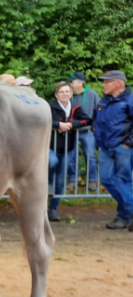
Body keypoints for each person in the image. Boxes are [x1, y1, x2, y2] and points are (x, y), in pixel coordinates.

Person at [93, 70, 133, 230]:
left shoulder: (130, 100)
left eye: (107, 82)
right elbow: (96, 118)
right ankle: (129, 211)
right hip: (105, 147)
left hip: (122, 147)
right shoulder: (104, 100)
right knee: (107, 179)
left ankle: (123, 217)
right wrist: (97, 137)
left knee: (122, 180)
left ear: (118, 83)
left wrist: (128, 143)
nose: (103, 85)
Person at [48, 82, 91, 222]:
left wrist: (72, 124)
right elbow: (43, 121)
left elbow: (87, 120)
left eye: (67, 91)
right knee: (52, 161)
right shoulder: (50, 107)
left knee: (61, 180)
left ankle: (53, 209)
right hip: (50, 146)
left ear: (71, 94)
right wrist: (58, 125)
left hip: (68, 147)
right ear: (56, 95)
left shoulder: (76, 107)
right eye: (61, 92)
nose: (65, 94)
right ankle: (48, 185)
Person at [68, 73, 100, 190]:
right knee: (71, 157)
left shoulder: (93, 94)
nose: (70, 84)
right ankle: (73, 179)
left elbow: (99, 111)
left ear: (80, 83)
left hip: (88, 131)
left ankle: (92, 180)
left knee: (90, 156)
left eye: (72, 82)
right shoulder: (68, 94)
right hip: (72, 131)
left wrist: (95, 125)